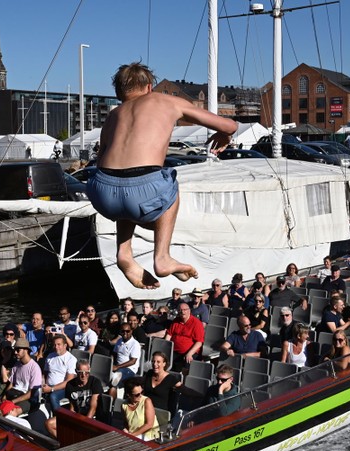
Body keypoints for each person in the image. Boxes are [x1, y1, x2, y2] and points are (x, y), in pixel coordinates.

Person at [86, 62, 238, 289]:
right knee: (168, 182)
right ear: (149, 87)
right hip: (142, 189)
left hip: (102, 191)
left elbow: (102, 157)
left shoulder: (114, 114)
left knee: (126, 186)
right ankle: (162, 257)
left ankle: (124, 253)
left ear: (118, 92)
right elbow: (230, 124)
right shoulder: (166, 101)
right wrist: (225, 135)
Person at [0, 338, 42, 413]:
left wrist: (12, 401)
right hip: (14, 394)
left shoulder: (34, 368)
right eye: (15, 350)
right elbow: (11, 384)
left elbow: (31, 393)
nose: (15, 352)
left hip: (26, 399)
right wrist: (5, 395)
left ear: (26, 350)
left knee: (7, 412)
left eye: (18, 350)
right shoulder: (16, 365)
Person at [42, 334, 77, 410]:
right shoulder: (50, 356)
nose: (56, 347)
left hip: (63, 389)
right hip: (48, 386)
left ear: (65, 345)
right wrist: (43, 384)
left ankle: (58, 418)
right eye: (54, 345)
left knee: (53, 396)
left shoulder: (71, 359)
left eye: (59, 344)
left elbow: (69, 381)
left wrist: (51, 389)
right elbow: (45, 374)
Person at [110, 324, 141, 389]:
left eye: (127, 331)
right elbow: (114, 354)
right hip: (117, 366)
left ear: (131, 331)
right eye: (123, 331)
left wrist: (117, 367)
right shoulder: (119, 341)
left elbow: (133, 361)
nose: (125, 333)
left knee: (115, 379)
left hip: (129, 369)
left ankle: (115, 391)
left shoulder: (135, 344)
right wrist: (110, 363)